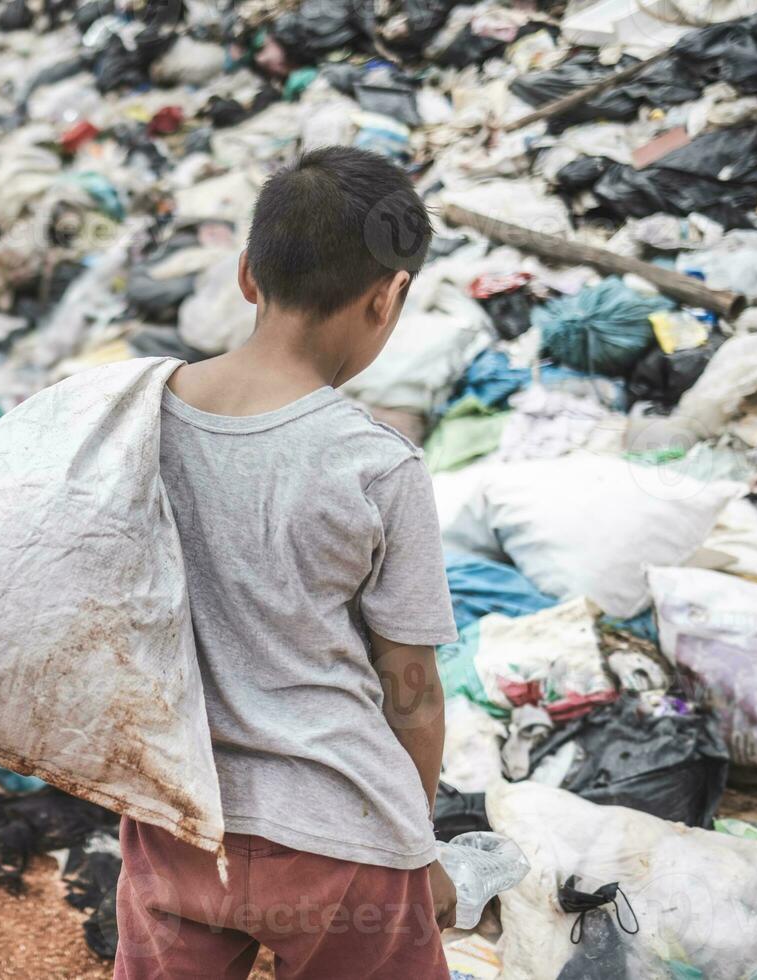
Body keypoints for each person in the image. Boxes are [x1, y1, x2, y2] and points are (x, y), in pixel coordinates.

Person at [114, 147, 457, 980]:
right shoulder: (376, 465)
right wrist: (416, 844)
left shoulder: (133, 420)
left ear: (243, 276)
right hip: (343, 846)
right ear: (389, 297)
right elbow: (408, 688)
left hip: (176, 824)